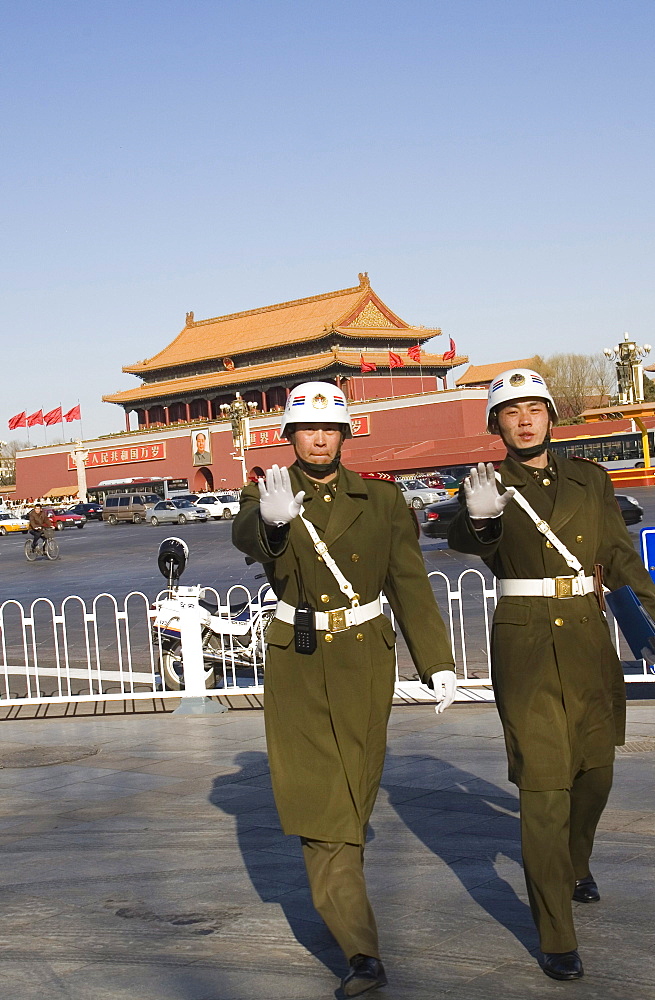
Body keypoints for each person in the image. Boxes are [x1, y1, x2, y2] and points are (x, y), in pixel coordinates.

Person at [233, 380, 456, 997]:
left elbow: (409, 582)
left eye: (330, 428)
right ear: (291, 437)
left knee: (355, 792)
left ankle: (352, 921)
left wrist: (435, 660)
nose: (320, 438)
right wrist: (275, 529)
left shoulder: (382, 501)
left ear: (344, 435)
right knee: (323, 806)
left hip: (364, 658)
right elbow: (248, 534)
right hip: (298, 661)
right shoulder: (269, 493)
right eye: (308, 429)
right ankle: (361, 952)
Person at [447, 368, 655, 982]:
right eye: (510, 412)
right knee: (543, 785)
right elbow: (465, 537)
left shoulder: (590, 479)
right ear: (497, 426)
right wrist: (482, 519)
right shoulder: (486, 484)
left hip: (588, 636)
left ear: (550, 416)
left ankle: (574, 862)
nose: (525, 419)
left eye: (534, 408)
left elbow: (617, 556)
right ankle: (555, 933)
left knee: (595, 772)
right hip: (526, 641)